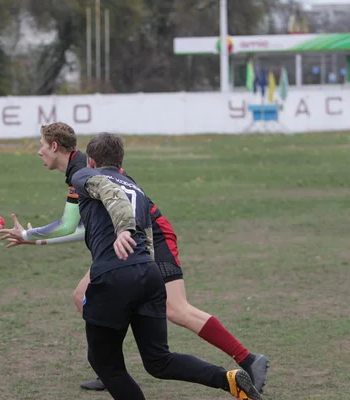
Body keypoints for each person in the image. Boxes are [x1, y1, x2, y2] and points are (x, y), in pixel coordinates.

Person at [0, 122, 269, 392]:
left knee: (176, 309)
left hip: (150, 236)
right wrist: (35, 239)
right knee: (82, 296)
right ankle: (109, 369)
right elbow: (87, 227)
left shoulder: (83, 172)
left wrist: (31, 237)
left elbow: (73, 225)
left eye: (41, 146)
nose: (38, 152)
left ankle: (248, 359)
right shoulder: (85, 171)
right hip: (127, 240)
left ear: (57, 147)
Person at [75, 132, 262, 399]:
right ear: (121, 161)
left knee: (105, 363)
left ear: (91, 161)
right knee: (159, 361)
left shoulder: (84, 176)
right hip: (147, 273)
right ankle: (228, 379)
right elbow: (148, 232)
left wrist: (123, 230)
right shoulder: (135, 187)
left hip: (114, 275)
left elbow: (108, 190)